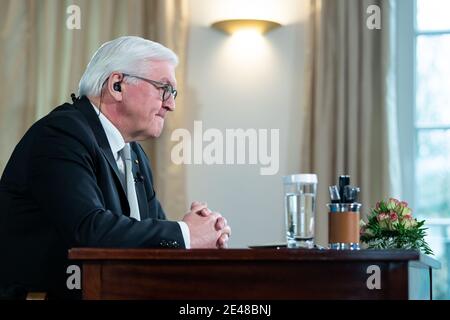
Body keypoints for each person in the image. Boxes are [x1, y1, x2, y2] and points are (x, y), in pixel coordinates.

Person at [0, 36, 231, 299]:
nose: (171, 104)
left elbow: (147, 235)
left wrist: (200, 234)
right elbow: (89, 231)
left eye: (173, 93)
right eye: (163, 89)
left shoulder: (133, 153)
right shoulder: (61, 135)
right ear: (117, 85)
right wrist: (185, 234)